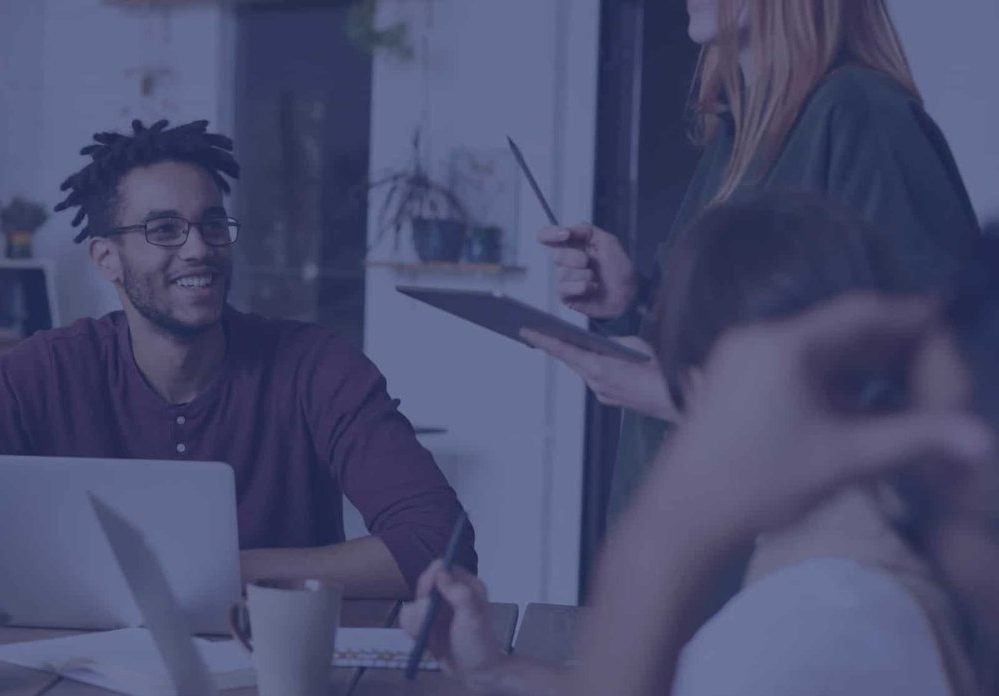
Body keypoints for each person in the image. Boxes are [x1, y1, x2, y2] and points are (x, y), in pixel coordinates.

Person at [0, 119, 467, 596]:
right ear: (106, 258)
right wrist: (70, 563)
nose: (198, 248)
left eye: (212, 225)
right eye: (163, 230)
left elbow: (439, 545)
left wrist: (205, 572)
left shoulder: (315, 366)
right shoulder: (46, 371)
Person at [402, 197, 998, 695]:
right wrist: (495, 670)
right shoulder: (851, 584)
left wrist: (666, 540)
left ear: (707, 387)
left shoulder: (814, 616)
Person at [526, 0, 981, 534]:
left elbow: (939, 378)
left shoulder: (861, 114)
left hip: (793, 558)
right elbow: (721, 339)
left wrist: (677, 396)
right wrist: (630, 302)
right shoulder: (734, 135)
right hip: (689, 545)